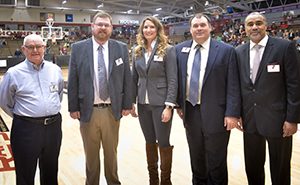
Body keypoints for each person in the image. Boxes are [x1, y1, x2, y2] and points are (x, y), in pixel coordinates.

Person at [67, 10, 133, 185]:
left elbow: (127, 77)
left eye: (106, 25)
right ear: (92, 27)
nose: (103, 28)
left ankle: (113, 182)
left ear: (111, 28)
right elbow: (73, 79)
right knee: (91, 154)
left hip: (112, 110)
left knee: (112, 154)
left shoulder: (121, 48)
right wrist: (73, 107)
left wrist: (128, 104)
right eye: (99, 24)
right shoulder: (78, 48)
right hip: (88, 111)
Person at [175, 13, 241, 185]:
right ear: (190, 29)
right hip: (191, 112)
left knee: (216, 160)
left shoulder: (226, 50)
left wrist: (232, 113)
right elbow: (178, 80)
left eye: (202, 25)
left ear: (210, 27)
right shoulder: (180, 50)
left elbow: (233, 84)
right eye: (195, 26)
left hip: (217, 114)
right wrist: (178, 104)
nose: (199, 28)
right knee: (196, 157)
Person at [235, 12, 300, 185]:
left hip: (279, 119)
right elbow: (237, 86)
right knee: (253, 166)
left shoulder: (284, 47)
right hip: (250, 118)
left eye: (258, 23)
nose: (254, 27)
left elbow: (294, 85)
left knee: (280, 168)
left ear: (266, 26)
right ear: (245, 29)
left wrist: (292, 118)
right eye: (250, 24)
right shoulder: (239, 52)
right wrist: (237, 113)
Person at [0, 34, 64, 185]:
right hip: (26, 129)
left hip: (53, 127)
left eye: (39, 46)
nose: (35, 50)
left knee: (50, 170)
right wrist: (25, 117)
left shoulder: (55, 69)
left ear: (44, 48)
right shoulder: (13, 73)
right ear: (23, 49)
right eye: (30, 47)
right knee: (25, 173)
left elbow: (58, 94)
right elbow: (4, 101)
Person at [131, 16, 177, 185]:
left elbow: (173, 79)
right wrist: (131, 102)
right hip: (143, 104)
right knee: (149, 142)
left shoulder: (168, 50)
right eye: (145, 27)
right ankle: (153, 180)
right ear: (142, 31)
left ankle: (166, 181)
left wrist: (169, 105)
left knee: (163, 142)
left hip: (161, 105)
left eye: (151, 27)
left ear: (157, 29)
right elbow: (133, 77)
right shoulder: (137, 50)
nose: (148, 30)